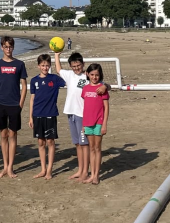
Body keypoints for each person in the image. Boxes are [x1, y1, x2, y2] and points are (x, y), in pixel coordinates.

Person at [53, 51, 107, 181]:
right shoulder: (70, 75)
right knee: (77, 144)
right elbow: (59, 69)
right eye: (74, 66)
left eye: (78, 65)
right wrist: (56, 55)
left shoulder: (87, 76)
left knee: (85, 145)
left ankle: (85, 172)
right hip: (71, 112)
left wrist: (105, 86)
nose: (76, 68)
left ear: (83, 64)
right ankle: (80, 169)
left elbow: (103, 85)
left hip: (83, 115)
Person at [0, 36, 27, 178]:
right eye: (5, 46)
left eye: (10, 46)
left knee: (13, 134)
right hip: (0, 104)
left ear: (13, 47)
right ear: (1, 47)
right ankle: (5, 166)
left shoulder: (20, 64)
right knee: (3, 135)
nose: (8, 49)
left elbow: (24, 86)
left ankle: (11, 167)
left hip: (14, 105)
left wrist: (21, 104)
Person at [29, 54, 65, 180]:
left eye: (47, 65)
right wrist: (30, 117)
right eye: (43, 65)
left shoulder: (55, 79)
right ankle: (43, 169)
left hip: (51, 114)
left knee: (50, 141)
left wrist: (57, 58)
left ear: (50, 66)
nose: (45, 67)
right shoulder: (34, 81)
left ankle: (49, 169)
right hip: (37, 115)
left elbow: (67, 81)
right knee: (40, 142)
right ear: (38, 66)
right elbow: (32, 99)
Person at [81, 63, 110, 185]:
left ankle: (96, 175)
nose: (94, 77)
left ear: (100, 75)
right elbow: (85, 107)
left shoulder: (102, 89)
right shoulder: (85, 89)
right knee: (91, 148)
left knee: (97, 148)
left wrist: (104, 124)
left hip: (98, 122)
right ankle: (91, 174)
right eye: (92, 74)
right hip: (87, 122)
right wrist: (83, 123)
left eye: (97, 75)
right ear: (88, 74)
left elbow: (106, 108)